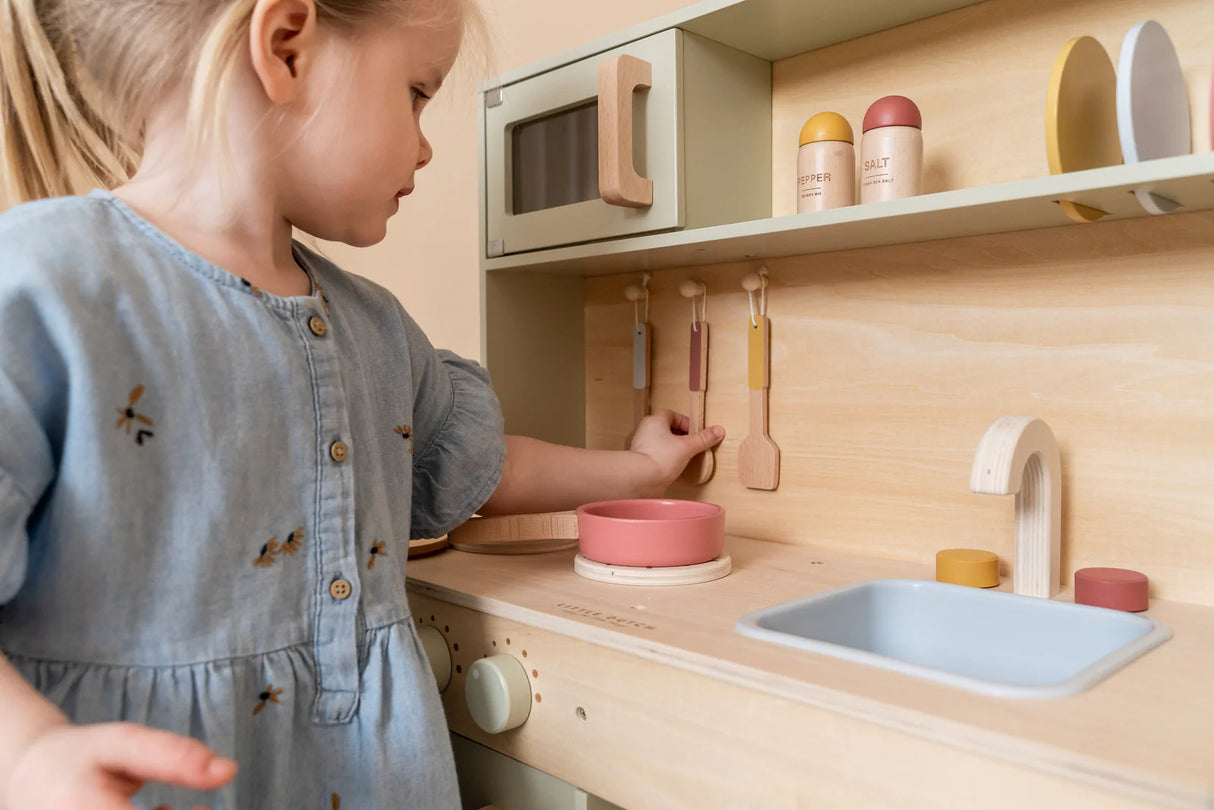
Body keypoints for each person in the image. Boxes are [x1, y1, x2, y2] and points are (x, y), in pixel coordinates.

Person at [0, 0, 725, 807]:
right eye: (417, 92)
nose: (425, 144)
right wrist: (27, 755)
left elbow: (480, 465)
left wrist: (640, 468)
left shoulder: (377, 327)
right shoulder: (42, 284)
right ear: (286, 47)